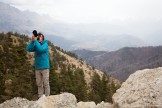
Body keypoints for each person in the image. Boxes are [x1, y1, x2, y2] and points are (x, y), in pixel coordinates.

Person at [26, 30, 50, 98]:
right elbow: (28, 48)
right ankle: (40, 97)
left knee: (46, 83)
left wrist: (36, 41)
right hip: (37, 67)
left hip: (45, 67)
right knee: (39, 83)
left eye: (40, 37)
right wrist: (33, 41)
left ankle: (47, 96)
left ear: (43, 38)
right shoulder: (36, 44)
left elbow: (40, 49)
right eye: (38, 36)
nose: (39, 38)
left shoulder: (45, 44)